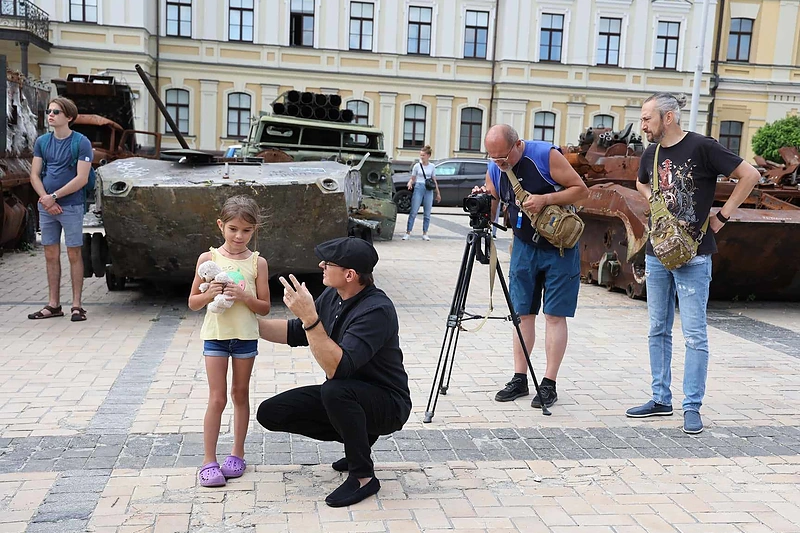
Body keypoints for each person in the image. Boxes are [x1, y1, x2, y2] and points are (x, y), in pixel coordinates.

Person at [626, 93, 760, 434]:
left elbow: (750, 175)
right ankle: (660, 399)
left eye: (647, 118)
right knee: (658, 328)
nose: (643, 125)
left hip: (695, 255)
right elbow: (641, 181)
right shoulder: (651, 153)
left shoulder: (703, 147)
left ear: (668, 118)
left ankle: (692, 406)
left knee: (695, 334)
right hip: (657, 253)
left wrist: (722, 217)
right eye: (642, 119)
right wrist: (653, 199)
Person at [256, 236, 411, 508]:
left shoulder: (377, 310)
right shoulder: (333, 295)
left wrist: (309, 317)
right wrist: (246, 323)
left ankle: (363, 476)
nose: (321, 266)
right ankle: (358, 442)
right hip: (351, 394)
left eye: (328, 263)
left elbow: (336, 367)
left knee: (335, 390)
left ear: (349, 275)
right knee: (271, 412)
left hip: (388, 403)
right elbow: (296, 332)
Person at [477, 124, 589, 409]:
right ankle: (520, 378)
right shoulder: (495, 168)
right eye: (493, 158)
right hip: (523, 247)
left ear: (517, 145)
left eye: (503, 157)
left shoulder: (545, 155)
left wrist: (546, 199)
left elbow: (581, 191)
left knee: (554, 315)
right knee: (522, 314)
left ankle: (549, 383)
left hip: (559, 247)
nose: (499, 163)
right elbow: (493, 206)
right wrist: (482, 202)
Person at [188, 195, 271, 487]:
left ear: (255, 229)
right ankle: (208, 461)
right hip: (216, 337)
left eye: (246, 230)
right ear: (221, 225)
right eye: (233, 229)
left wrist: (245, 296)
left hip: (245, 338)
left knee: (240, 394)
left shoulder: (258, 262)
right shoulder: (207, 260)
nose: (239, 236)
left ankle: (237, 454)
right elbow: (193, 303)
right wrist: (209, 294)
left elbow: (264, 307)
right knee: (217, 397)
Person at [27, 97, 93, 322]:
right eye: (49, 111)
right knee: (50, 253)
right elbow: (34, 175)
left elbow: (82, 178)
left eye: (56, 112)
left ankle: (77, 305)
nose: (50, 115)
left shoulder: (81, 142)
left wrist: (54, 197)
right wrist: (46, 200)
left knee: (74, 253)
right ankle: (53, 304)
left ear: (69, 117)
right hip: (47, 206)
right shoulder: (42, 142)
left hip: (71, 206)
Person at [402, 145, 440, 241]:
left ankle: (425, 233)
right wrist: (410, 183)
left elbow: (434, 180)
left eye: (423, 155)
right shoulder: (417, 166)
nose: (422, 157)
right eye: (421, 155)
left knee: (427, 213)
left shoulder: (432, 166)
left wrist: (438, 193)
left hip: (428, 189)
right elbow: (413, 178)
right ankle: (408, 232)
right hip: (419, 187)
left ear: (428, 156)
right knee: (413, 211)